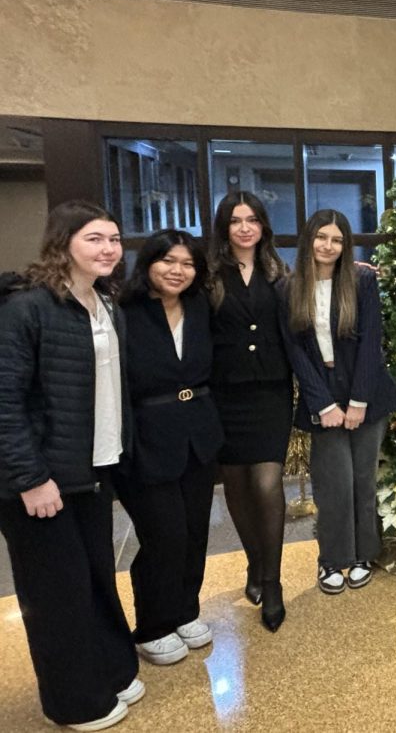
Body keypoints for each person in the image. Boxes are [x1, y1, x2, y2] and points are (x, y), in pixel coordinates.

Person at [0, 201, 140, 731]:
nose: (108, 249)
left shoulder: (106, 302)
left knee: (95, 578)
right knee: (56, 595)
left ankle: (111, 670)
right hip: (40, 480)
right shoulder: (27, 308)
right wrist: (31, 478)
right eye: (94, 239)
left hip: (92, 469)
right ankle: (75, 701)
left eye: (114, 239)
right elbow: (5, 400)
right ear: (64, 243)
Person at [115, 230, 224, 665]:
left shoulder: (199, 307)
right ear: (148, 263)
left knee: (195, 530)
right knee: (164, 535)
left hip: (197, 432)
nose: (177, 271)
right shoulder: (125, 310)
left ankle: (185, 611)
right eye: (168, 261)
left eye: (187, 264)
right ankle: (153, 625)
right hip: (146, 436)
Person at [279, 209, 396, 595]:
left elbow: (370, 344)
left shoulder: (361, 280)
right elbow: (295, 352)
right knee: (333, 485)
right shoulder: (289, 287)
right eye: (321, 237)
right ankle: (333, 559)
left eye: (336, 239)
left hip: (366, 393)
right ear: (308, 239)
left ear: (344, 245)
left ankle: (365, 553)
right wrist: (324, 404)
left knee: (363, 480)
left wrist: (359, 400)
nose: (328, 246)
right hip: (323, 396)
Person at [208, 191, 292, 632]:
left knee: (266, 481)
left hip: (270, 393)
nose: (245, 227)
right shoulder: (208, 275)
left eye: (253, 219)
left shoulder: (278, 270)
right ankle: (254, 563)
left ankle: (273, 582)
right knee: (237, 487)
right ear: (225, 227)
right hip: (224, 394)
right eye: (236, 220)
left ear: (263, 226)